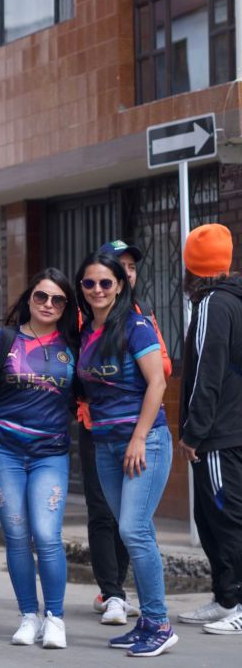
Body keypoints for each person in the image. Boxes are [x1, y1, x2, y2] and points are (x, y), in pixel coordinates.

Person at [0, 269, 78, 648]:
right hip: (3, 451)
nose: (48, 304)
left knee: (46, 535)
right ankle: (29, 615)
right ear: (29, 298)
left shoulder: (74, 344)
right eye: (41, 296)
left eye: (57, 299)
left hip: (51, 454)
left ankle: (55, 618)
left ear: (65, 306)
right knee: (16, 534)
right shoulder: (5, 339)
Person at [75, 252, 176, 657]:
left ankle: (160, 623)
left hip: (144, 443)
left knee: (134, 530)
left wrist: (138, 437)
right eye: (89, 283)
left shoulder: (136, 326)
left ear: (119, 285)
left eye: (106, 282)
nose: (97, 290)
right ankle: (148, 622)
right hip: (105, 444)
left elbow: (157, 383)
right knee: (131, 530)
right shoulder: (87, 333)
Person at [178, 224, 242, 635]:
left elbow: (207, 372)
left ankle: (237, 601)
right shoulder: (235, 300)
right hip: (230, 430)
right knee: (212, 516)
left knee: (225, 517)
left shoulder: (213, 305)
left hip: (219, 435)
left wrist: (194, 432)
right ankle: (226, 599)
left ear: (192, 267)